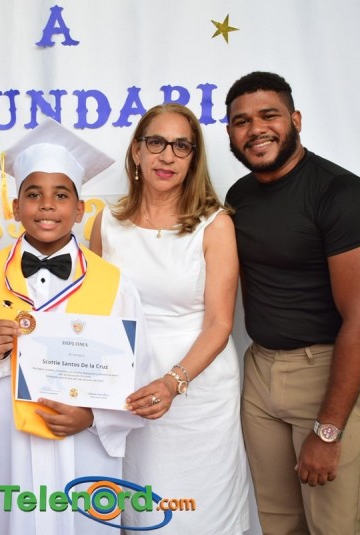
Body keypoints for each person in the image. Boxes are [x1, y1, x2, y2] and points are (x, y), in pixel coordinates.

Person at [0, 119, 149, 535]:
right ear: (16, 207)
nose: (47, 206)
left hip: (83, 439)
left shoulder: (114, 284)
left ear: (80, 209)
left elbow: (135, 371)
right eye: (34, 194)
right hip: (10, 436)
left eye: (61, 195)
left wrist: (92, 417)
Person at [224, 71, 360, 535]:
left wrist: (329, 430)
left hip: (328, 373)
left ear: (295, 120)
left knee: (331, 526)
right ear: (230, 133)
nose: (256, 129)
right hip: (261, 373)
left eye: (269, 115)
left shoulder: (343, 193)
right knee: (278, 523)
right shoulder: (240, 196)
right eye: (241, 121)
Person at [90, 103, 250, 534]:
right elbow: (94, 312)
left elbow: (220, 323)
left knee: (200, 516)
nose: (167, 156)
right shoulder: (106, 223)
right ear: (137, 151)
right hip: (131, 393)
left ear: (194, 158)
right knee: (144, 513)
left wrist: (173, 382)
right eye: (157, 142)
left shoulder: (215, 225)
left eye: (182, 146)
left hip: (197, 393)